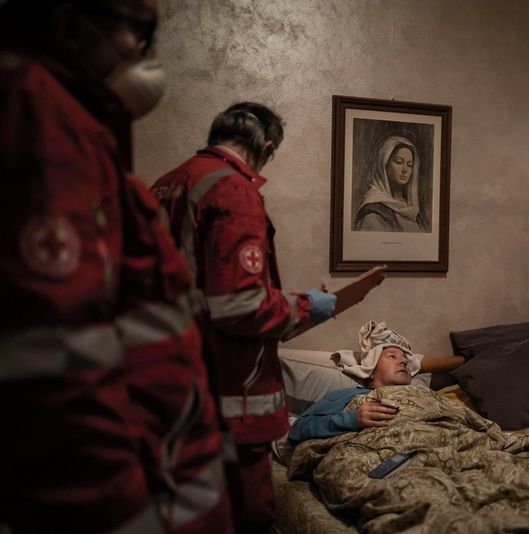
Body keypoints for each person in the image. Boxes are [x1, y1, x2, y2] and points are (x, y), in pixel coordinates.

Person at [0, 1, 231, 532]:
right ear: (67, 24)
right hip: (134, 496)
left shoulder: (97, 136)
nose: (147, 55)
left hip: (162, 474)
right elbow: (57, 366)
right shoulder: (39, 116)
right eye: (138, 32)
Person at [151, 102, 338, 533]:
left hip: (173, 386)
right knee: (249, 517)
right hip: (229, 392)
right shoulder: (234, 191)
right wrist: (309, 305)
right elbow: (239, 305)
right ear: (266, 147)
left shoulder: (166, 185)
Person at [289, 323, 529, 446]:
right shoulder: (351, 397)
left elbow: (480, 433)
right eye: (391, 356)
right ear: (370, 372)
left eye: (406, 359)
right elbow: (299, 429)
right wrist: (351, 419)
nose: (402, 361)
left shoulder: (432, 399)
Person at [353, 134, 431, 232]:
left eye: (410, 165)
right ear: (384, 165)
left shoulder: (414, 211)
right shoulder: (373, 213)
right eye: (399, 162)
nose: (405, 170)